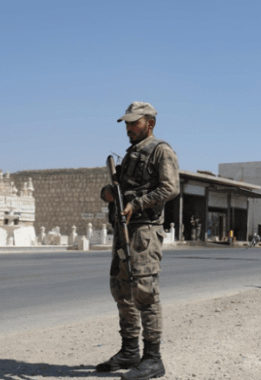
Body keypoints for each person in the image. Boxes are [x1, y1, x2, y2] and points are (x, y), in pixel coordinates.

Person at [97, 101, 179, 380]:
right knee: (121, 289)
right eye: (128, 124)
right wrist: (108, 193)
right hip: (124, 231)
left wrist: (138, 204)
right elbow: (122, 188)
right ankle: (129, 350)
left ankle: (153, 359)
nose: (129, 128)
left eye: (135, 123)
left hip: (144, 231)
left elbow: (170, 187)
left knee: (144, 292)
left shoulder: (160, 150)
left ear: (150, 123)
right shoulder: (130, 154)